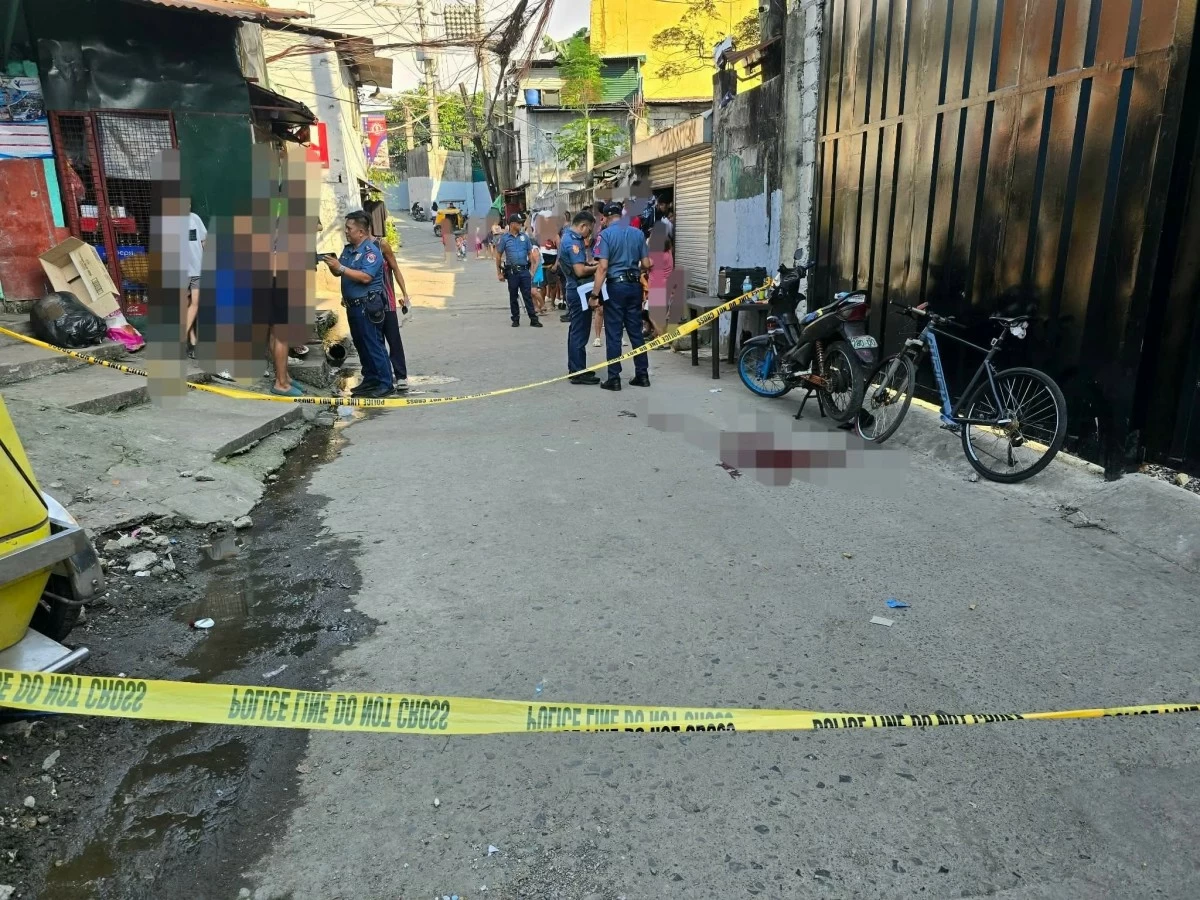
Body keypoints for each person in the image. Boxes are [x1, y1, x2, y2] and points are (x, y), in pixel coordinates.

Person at [322, 211, 392, 398]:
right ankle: (370, 379)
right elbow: (340, 273)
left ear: (361, 232)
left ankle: (385, 383)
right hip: (353, 306)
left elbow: (366, 277)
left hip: (367, 305)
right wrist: (333, 266)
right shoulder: (348, 250)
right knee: (361, 345)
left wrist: (341, 268)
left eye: (349, 228)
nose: (346, 231)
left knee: (374, 344)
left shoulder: (371, 252)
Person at [593, 202, 653, 390]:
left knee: (614, 333)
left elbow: (602, 267)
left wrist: (595, 294)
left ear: (607, 217)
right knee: (636, 331)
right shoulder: (638, 233)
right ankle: (642, 375)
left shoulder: (605, 235)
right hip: (634, 286)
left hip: (615, 287)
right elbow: (646, 262)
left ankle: (614, 378)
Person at [559, 210, 599, 384]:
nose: (589, 234)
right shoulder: (573, 241)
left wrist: (590, 264)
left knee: (576, 330)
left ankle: (577, 367)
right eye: (589, 230)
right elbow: (580, 270)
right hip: (578, 290)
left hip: (574, 289)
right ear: (583, 226)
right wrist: (599, 267)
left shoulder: (567, 236)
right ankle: (577, 372)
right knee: (580, 331)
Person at [494, 213, 542, 327]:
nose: (520, 225)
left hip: (524, 270)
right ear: (512, 224)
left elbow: (530, 253)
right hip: (512, 272)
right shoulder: (504, 238)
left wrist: (532, 269)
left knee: (527, 295)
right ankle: (515, 319)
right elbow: (498, 255)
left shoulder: (524, 237)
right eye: (518, 223)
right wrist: (499, 273)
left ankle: (533, 319)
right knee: (513, 296)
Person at [183, 209, 207, 359]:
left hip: (198, 269)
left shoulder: (195, 218)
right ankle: (192, 340)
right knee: (186, 304)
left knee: (195, 303)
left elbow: (204, 241)